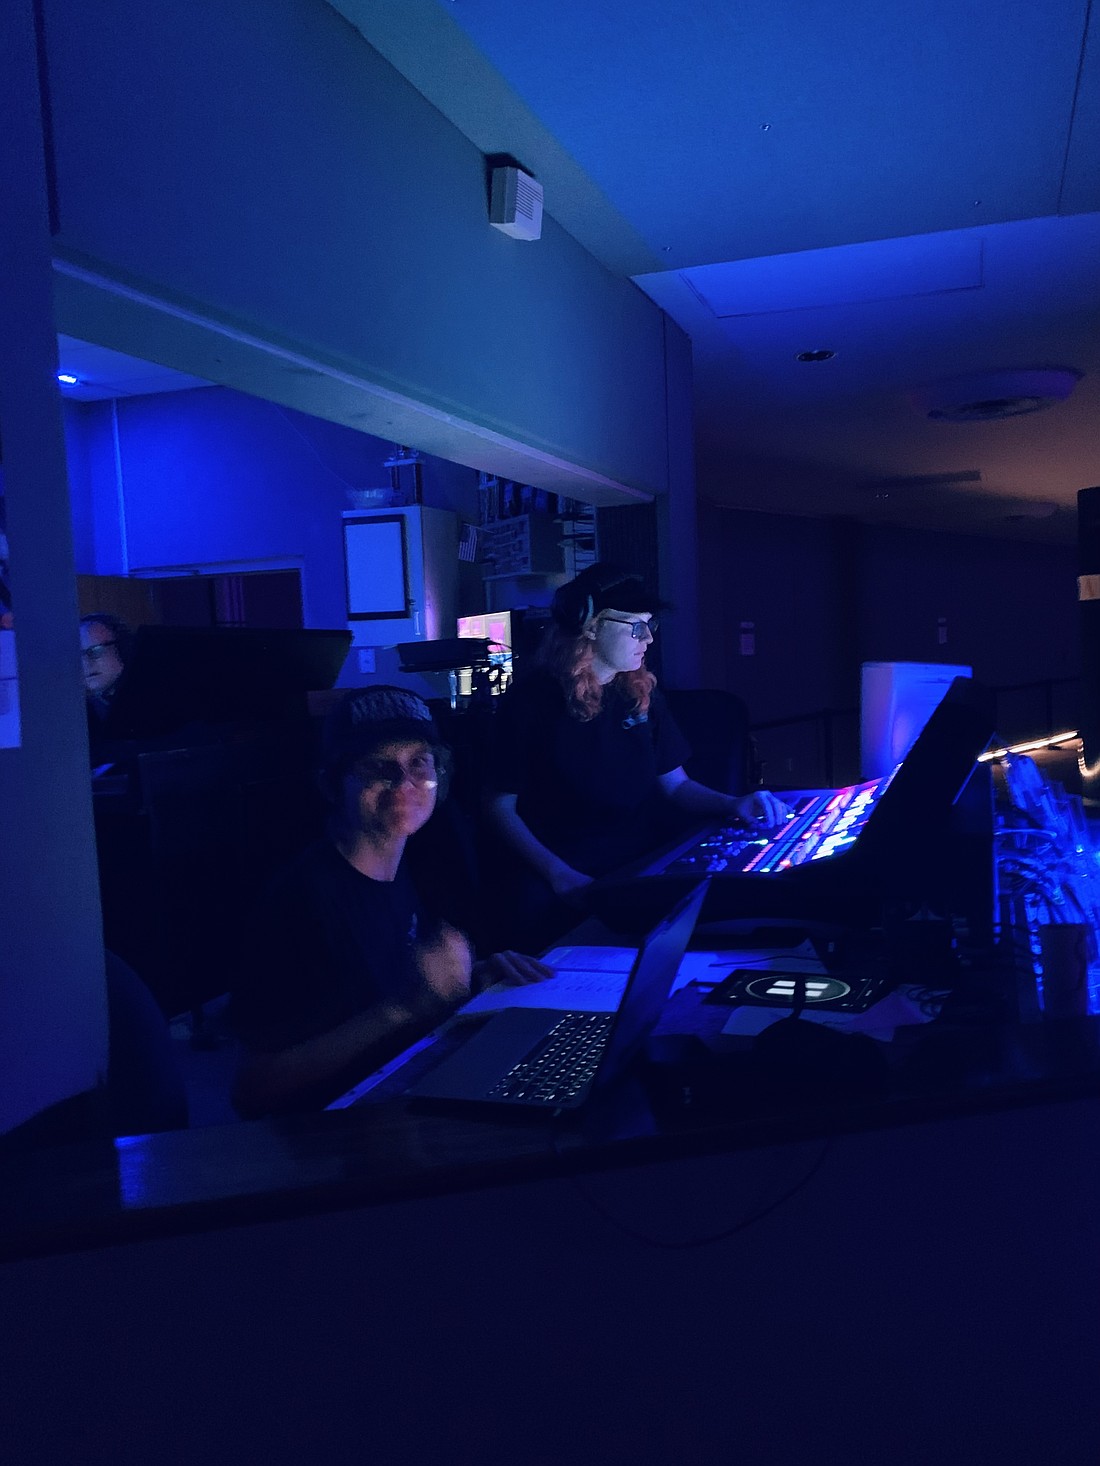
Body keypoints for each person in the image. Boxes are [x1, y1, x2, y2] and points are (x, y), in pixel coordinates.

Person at [229, 685, 547, 1117]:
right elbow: (254, 1088)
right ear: (333, 783)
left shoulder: (413, 867)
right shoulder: (299, 901)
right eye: (378, 767)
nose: (403, 783)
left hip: (407, 1089)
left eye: (419, 763)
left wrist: (474, 977)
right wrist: (403, 1008)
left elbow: (394, 988)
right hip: (341, 1131)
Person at [486, 562, 789, 946]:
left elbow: (676, 786)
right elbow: (498, 806)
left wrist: (733, 803)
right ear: (590, 625)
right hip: (559, 870)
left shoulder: (639, 690)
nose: (647, 638)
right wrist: (557, 873)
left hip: (635, 862)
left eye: (649, 625)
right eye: (635, 627)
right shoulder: (532, 700)